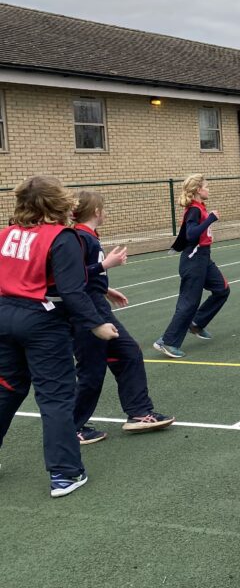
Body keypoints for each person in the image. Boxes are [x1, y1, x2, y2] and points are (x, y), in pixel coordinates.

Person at [0, 176, 119, 498]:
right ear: (58, 201)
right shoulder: (62, 237)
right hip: (41, 321)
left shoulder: (7, 234)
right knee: (55, 398)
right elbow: (71, 289)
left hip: (4, 316)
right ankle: (65, 474)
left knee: (8, 389)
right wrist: (96, 323)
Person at [71, 192, 175, 443]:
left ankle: (139, 413)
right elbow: (70, 278)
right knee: (91, 372)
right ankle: (70, 428)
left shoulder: (86, 237)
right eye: (103, 209)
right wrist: (106, 266)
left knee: (127, 352)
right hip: (87, 311)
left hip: (96, 305)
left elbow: (83, 277)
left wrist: (105, 289)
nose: (105, 212)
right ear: (96, 211)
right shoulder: (79, 238)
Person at [154, 174, 230, 359]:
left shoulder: (199, 208)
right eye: (206, 186)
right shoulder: (194, 210)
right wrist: (210, 219)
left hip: (204, 257)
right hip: (193, 260)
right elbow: (191, 234)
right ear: (198, 190)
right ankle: (167, 341)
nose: (209, 189)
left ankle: (196, 323)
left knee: (222, 289)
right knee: (189, 302)